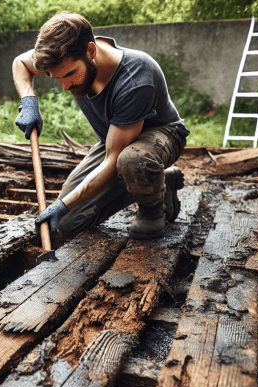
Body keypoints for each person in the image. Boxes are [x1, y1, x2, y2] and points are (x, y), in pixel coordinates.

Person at [12, 11, 190, 239]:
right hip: (116, 140)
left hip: (162, 137)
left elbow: (113, 159)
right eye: (56, 78)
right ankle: (156, 178)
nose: (65, 86)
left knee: (132, 160)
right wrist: (28, 101)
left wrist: (63, 204)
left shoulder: (135, 78)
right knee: (66, 224)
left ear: (91, 51)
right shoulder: (66, 58)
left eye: (70, 75)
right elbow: (21, 63)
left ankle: (153, 208)